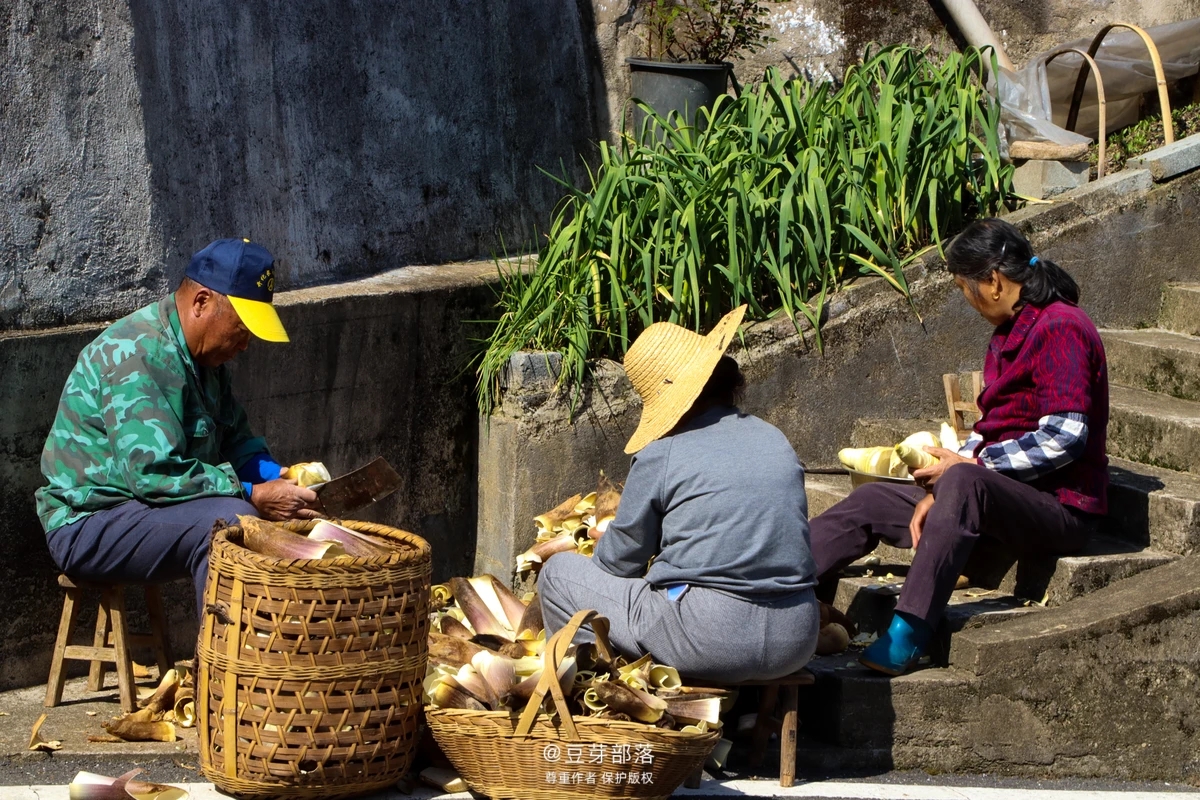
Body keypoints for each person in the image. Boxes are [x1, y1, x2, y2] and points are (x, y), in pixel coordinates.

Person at [810, 218, 1108, 676]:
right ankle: (781, 588)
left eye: (964, 289)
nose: (967, 301)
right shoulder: (1008, 333)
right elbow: (992, 432)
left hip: (1059, 510)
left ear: (992, 280)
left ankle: (909, 632)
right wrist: (940, 481)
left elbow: (1065, 437)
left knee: (965, 479)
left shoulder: (1062, 327)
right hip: (992, 496)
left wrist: (965, 465)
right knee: (871, 499)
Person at [36, 238, 320, 619]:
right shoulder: (140, 354)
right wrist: (252, 493)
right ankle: (226, 668)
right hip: (88, 523)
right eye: (241, 328)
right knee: (227, 524)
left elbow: (236, 440)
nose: (246, 344)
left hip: (145, 511)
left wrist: (276, 474)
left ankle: (279, 650)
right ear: (202, 302)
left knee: (275, 518)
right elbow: (154, 474)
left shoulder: (206, 363)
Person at [538, 306, 821, 683]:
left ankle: (597, 688)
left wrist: (606, 542)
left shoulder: (661, 454)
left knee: (558, 574)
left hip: (707, 638)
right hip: (796, 638)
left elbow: (620, 563)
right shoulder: (775, 438)